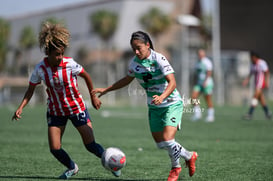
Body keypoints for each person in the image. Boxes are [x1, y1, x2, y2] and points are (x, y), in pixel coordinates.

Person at [11, 22, 120, 179]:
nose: (60, 57)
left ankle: (112, 163)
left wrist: (93, 96)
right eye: (57, 54)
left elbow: (86, 76)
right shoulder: (40, 69)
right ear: (48, 52)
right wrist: (21, 107)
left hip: (77, 108)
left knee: (90, 145)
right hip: (56, 111)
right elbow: (30, 90)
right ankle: (72, 167)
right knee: (55, 148)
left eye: (62, 53)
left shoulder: (70, 64)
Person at [92, 31, 198, 181]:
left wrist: (162, 97)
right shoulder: (135, 63)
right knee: (161, 144)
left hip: (171, 103)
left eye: (139, 48)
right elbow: (126, 80)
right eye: (133, 48)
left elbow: (172, 82)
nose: (136, 51)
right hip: (154, 107)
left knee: (168, 139)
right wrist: (106, 89)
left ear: (147, 45)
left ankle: (175, 168)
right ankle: (189, 155)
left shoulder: (159, 59)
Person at [242, 51, 272, 120]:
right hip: (256, 83)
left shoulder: (262, 63)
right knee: (261, 99)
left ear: (254, 57)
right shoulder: (253, 65)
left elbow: (267, 72)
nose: (251, 59)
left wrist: (267, 82)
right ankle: (267, 113)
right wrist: (246, 80)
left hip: (261, 83)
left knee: (255, 96)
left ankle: (250, 113)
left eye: (251, 58)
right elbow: (251, 73)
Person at [191, 49, 214, 122]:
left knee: (207, 99)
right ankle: (197, 114)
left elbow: (209, 72)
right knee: (193, 97)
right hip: (199, 83)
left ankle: (211, 116)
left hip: (207, 83)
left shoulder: (207, 62)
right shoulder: (197, 63)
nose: (200, 55)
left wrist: (206, 82)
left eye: (202, 54)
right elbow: (196, 74)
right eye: (199, 54)